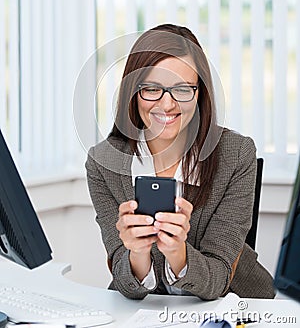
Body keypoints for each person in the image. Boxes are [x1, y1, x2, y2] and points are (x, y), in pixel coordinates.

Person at [86, 24, 275, 300]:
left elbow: (219, 278)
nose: (167, 104)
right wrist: (137, 254)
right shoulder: (103, 163)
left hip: (236, 306)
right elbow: (124, 281)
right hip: (149, 314)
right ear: (134, 92)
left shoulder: (236, 155)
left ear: (199, 94)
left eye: (183, 89)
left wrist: (178, 254)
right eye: (152, 89)